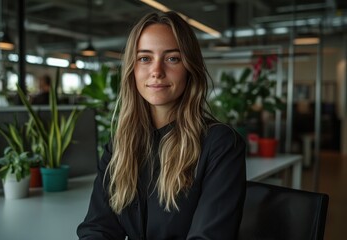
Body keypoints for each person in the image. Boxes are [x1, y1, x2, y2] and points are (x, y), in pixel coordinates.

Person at [77, 11, 246, 240]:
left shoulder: (220, 145)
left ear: (189, 67)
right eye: (145, 58)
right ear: (132, 70)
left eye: (172, 58)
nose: (156, 71)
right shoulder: (119, 146)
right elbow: (97, 228)